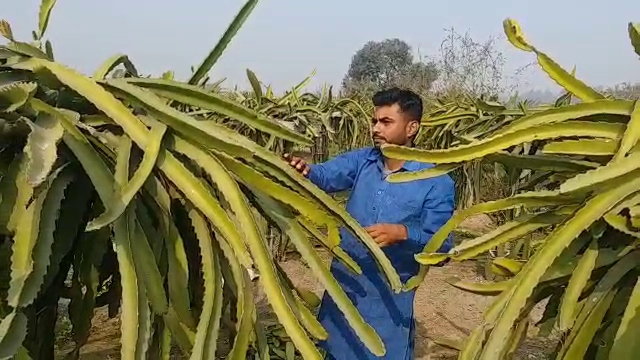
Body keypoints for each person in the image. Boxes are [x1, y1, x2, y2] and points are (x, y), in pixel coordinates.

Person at [284, 88, 455, 360]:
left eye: (386, 122)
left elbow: (443, 247)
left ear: (412, 127)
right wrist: (306, 171)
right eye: (375, 121)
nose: (376, 128)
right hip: (345, 287)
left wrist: (403, 233)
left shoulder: (436, 181)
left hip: (389, 301)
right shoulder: (364, 160)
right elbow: (326, 175)